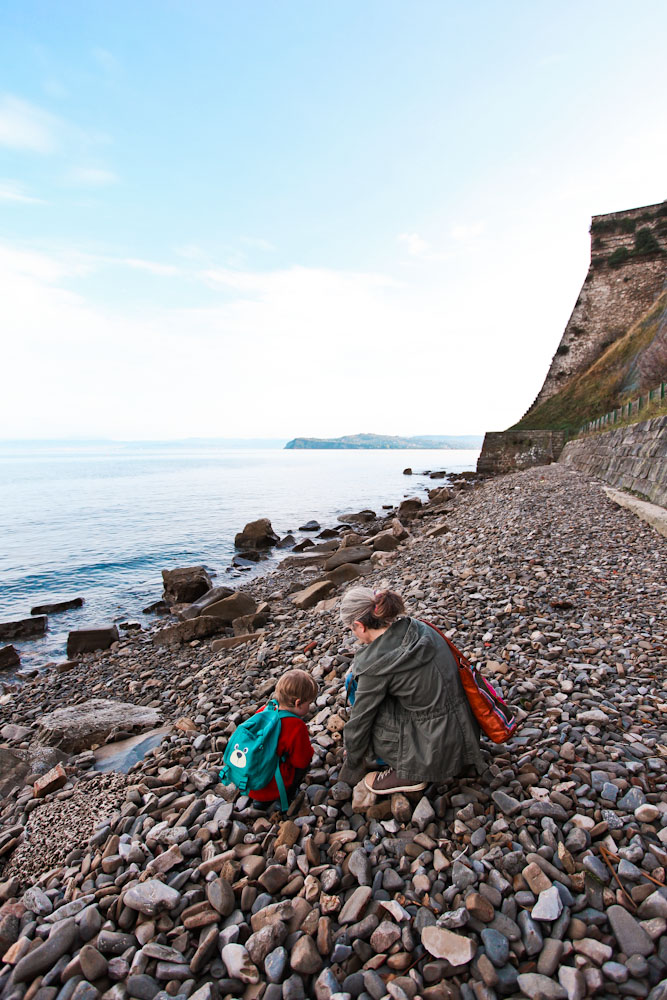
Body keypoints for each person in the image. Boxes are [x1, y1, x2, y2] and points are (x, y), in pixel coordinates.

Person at [340, 587, 484, 795]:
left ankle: (407, 771)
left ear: (360, 626)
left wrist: (353, 762)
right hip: (465, 731)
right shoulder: (420, 627)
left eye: (350, 629)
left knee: (353, 683)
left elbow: (361, 720)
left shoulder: (375, 665)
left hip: (433, 751)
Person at [248, 668, 317, 805]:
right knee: (305, 761)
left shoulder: (263, 710)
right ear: (298, 703)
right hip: (274, 787)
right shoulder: (296, 726)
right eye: (308, 703)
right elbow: (301, 762)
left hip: (251, 784)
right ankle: (285, 795)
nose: (310, 707)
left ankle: (259, 800)